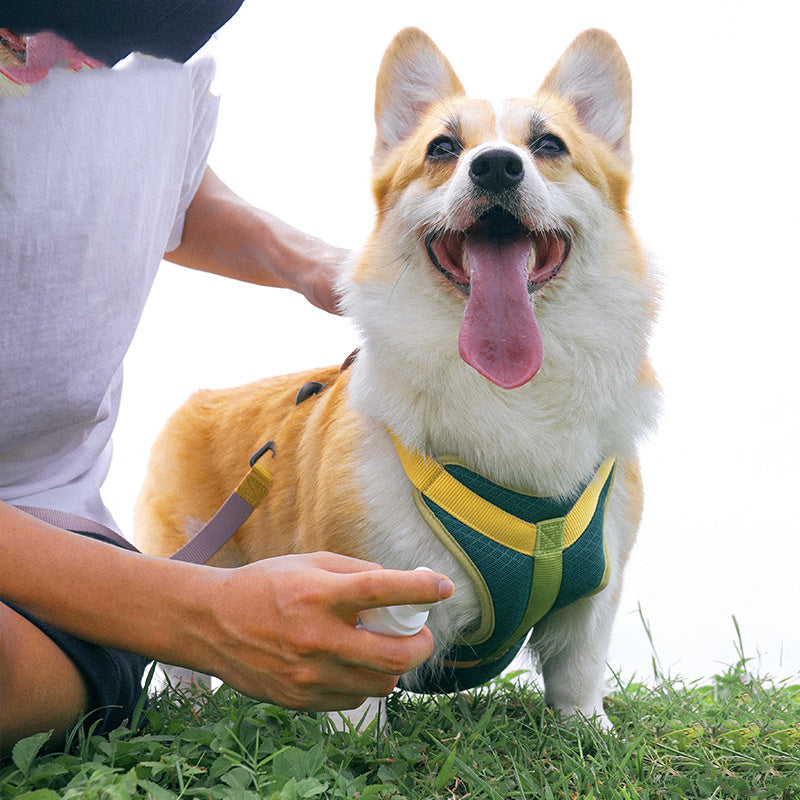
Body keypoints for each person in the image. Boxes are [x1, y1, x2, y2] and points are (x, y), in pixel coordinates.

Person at [0, 11, 454, 755]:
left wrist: (305, 261)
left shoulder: (161, 35)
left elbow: (147, 168)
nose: (93, 64)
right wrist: (199, 615)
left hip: (57, 538)